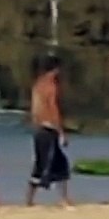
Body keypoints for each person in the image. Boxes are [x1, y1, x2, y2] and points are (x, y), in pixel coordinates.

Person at [28, 56, 71, 207]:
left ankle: (32, 199)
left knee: (45, 162)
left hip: (38, 128)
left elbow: (35, 109)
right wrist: (61, 132)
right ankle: (61, 199)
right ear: (56, 70)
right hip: (48, 128)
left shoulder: (37, 84)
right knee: (49, 164)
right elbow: (53, 108)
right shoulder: (51, 86)